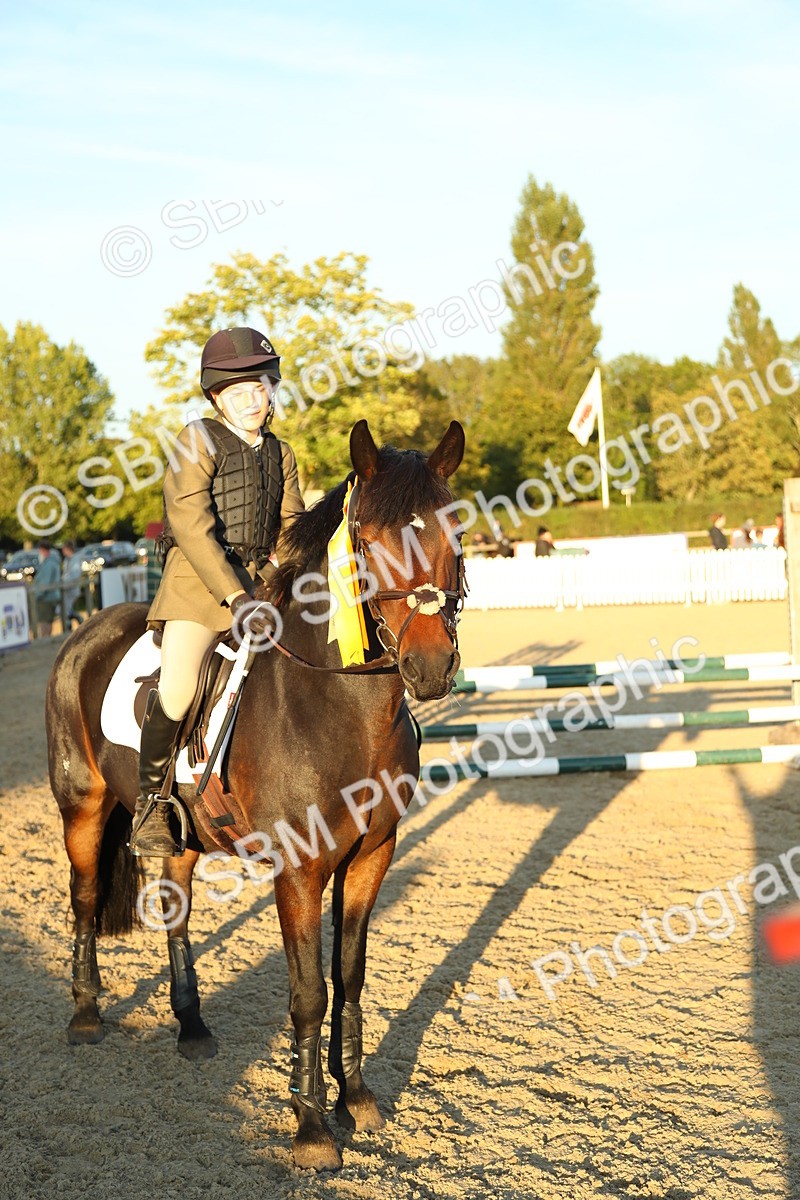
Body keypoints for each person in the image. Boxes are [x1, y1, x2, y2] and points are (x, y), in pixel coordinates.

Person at [129, 327, 305, 857]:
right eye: (238, 393)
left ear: (272, 390)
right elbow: (191, 523)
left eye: (260, 388)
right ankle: (152, 805)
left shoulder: (283, 452)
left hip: (260, 587)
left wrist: (290, 578)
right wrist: (235, 597)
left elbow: (292, 526)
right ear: (216, 398)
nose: (252, 401)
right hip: (198, 588)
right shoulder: (196, 439)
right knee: (180, 687)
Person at [35, 540, 62, 637]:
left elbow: (45, 583)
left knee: (44, 622)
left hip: (46, 598)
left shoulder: (48, 564)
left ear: (43, 550)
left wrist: (36, 595)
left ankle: (45, 640)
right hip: (52, 596)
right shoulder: (53, 562)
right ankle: (47, 639)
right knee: (49, 621)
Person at [60, 541, 86, 630]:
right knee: (64, 609)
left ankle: (71, 624)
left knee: (66, 609)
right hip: (66, 588)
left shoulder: (75, 560)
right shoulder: (66, 560)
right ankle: (73, 622)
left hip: (72, 588)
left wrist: (63, 581)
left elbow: (75, 574)